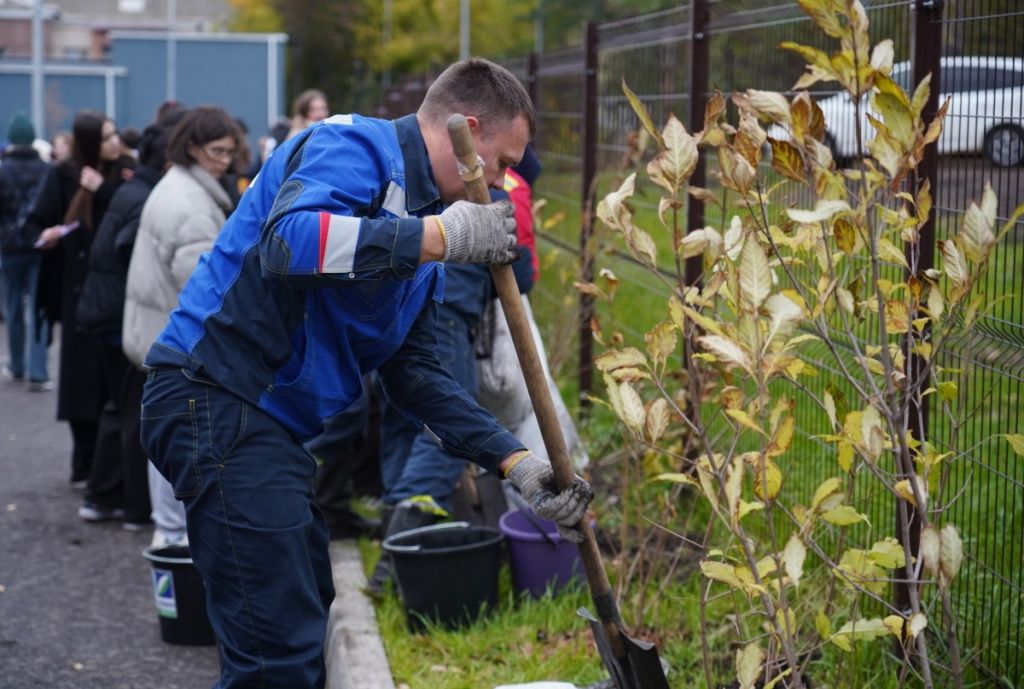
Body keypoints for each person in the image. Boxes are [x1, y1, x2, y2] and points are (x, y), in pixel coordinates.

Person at [139, 58, 593, 688]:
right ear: (465, 129)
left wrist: (519, 465)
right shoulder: (354, 145)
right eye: (503, 161)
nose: (505, 180)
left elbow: (416, 376)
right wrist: (434, 237)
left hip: (263, 425)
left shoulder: (427, 232)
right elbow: (288, 243)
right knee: (276, 654)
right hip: (213, 396)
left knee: (303, 613)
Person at [123, 106, 240, 546]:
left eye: (229, 152)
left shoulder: (178, 186)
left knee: (166, 439)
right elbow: (207, 290)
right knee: (177, 443)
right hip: (177, 340)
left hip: (156, 328)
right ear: (192, 148)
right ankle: (176, 543)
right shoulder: (191, 205)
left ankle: (171, 537)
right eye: (216, 151)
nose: (224, 161)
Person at [73, 112, 183, 528]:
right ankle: (132, 506)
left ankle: (103, 496)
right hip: (118, 310)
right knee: (135, 410)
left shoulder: (133, 189)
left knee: (119, 407)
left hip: (105, 309)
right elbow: (124, 247)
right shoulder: (146, 197)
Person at [24, 111, 134, 487]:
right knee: (79, 380)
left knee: (111, 382)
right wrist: (48, 235)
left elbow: (127, 216)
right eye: (105, 138)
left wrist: (102, 190)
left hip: (111, 292)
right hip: (75, 288)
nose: (114, 143)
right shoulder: (63, 174)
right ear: (88, 143)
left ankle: (106, 470)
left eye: (115, 134)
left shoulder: (124, 171)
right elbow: (34, 224)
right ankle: (83, 463)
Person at [0, 113, 50, 387]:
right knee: (39, 309)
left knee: (14, 308)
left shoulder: (3, 169)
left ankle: (16, 364)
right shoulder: (46, 169)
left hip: (9, 248)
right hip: (40, 245)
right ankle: (38, 370)